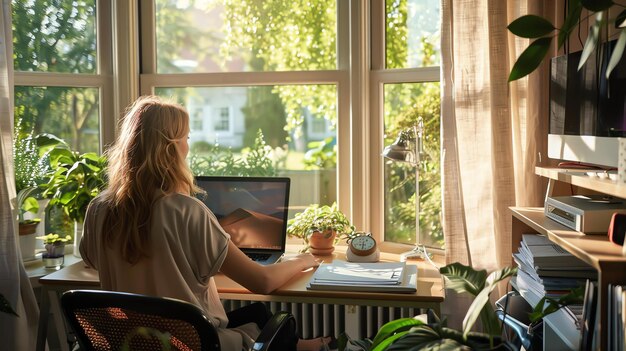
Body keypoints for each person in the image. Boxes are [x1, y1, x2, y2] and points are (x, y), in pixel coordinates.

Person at [80, 95, 324, 351]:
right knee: (262, 322)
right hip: (187, 343)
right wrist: (303, 260)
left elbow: (91, 260)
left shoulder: (98, 209)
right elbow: (262, 281)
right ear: (170, 148)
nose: (187, 146)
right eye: (185, 138)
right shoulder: (187, 211)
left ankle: (303, 346)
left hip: (131, 342)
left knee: (256, 314)